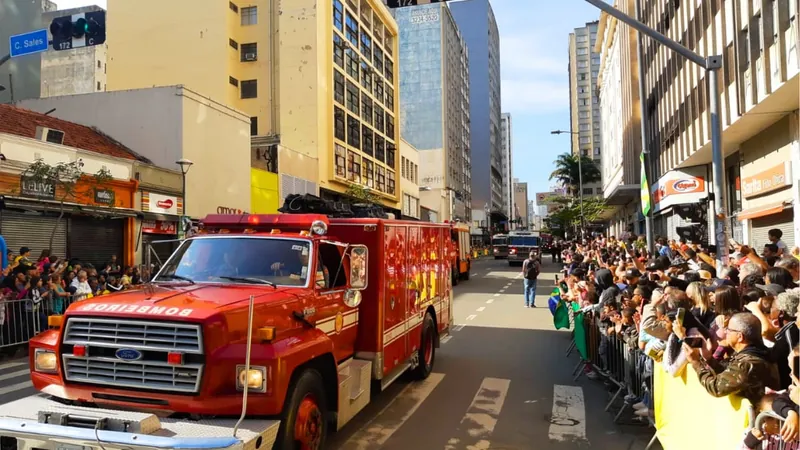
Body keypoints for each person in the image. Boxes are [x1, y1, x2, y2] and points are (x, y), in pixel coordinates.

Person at [682, 312, 780, 406]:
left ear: (740, 336)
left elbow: (716, 387)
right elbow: (728, 374)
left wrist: (696, 363)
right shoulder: (755, 353)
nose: (725, 332)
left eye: (728, 329)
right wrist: (709, 358)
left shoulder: (748, 363)